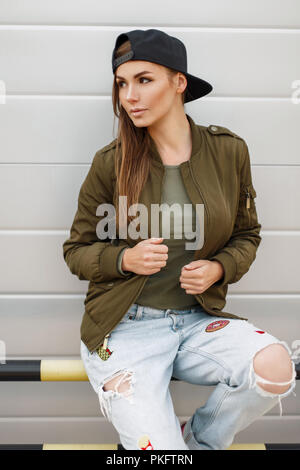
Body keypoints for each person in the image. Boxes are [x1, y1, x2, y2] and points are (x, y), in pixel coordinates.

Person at [62, 29, 297, 450]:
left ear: (179, 82)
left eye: (144, 79)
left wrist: (219, 267)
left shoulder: (228, 152)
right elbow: (76, 251)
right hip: (124, 329)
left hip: (196, 322)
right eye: (122, 83)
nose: (129, 95)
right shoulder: (110, 164)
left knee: (276, 368)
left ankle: (202, 442)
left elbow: (247, 234)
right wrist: (124, 260)